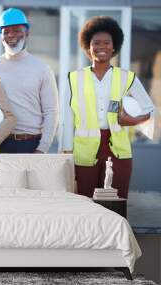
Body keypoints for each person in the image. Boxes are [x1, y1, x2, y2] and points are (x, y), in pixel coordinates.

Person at [59, 16, 155, 198]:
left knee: (116, 201)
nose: (101, 47)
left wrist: (131, 121)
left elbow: (149, 109)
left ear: (114, 47)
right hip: (84, 150)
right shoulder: (74, 78)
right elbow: (67, 116)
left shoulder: (127, 77)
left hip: (118, 150)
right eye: (96, 43)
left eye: (106, 43)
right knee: (85, 200)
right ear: (88, 46)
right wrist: (65, 149)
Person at [0, 8, 59, 154]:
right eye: (6, 31)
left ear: (27, 33)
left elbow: (51, 112)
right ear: (1, 35)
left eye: (17, 30)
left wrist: (42, 148)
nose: (11, 35)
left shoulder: (42, 69)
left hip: (32, 144)